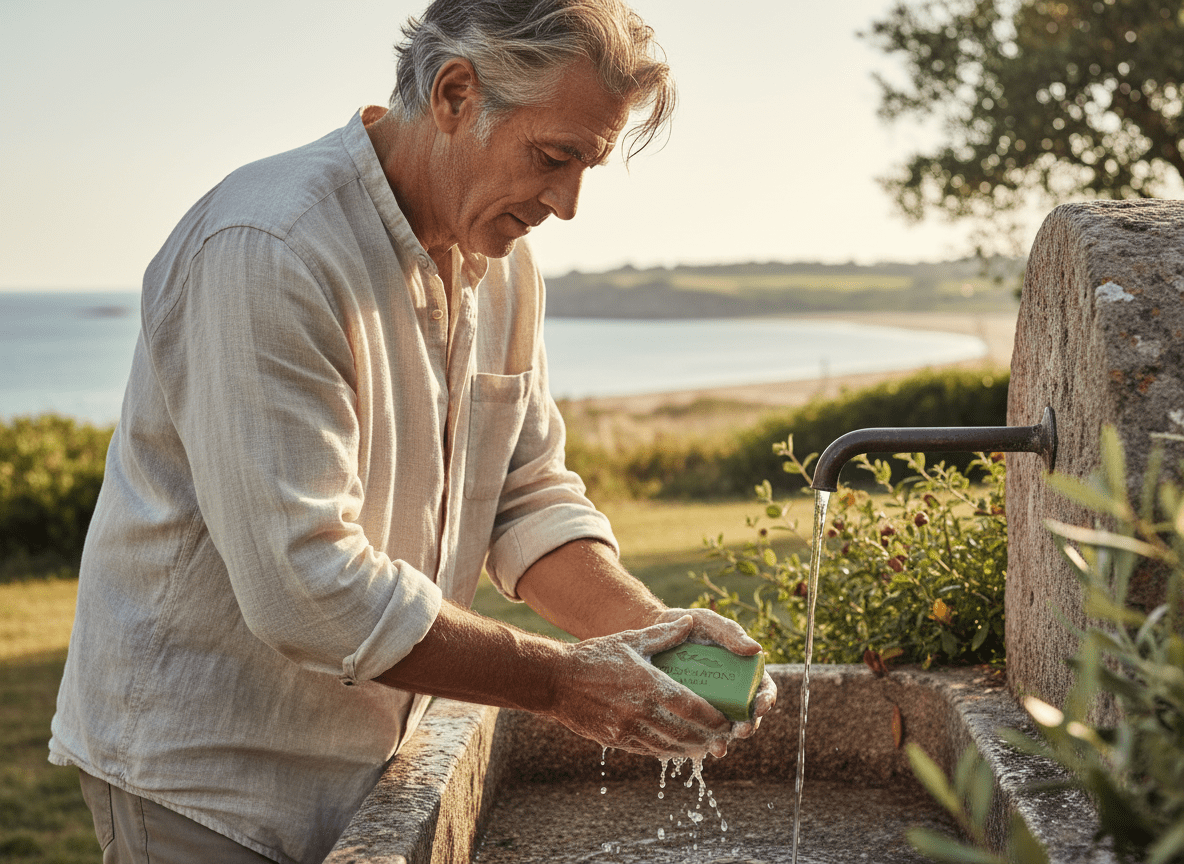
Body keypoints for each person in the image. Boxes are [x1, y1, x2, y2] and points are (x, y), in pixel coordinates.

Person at [50, 1, 776, 861]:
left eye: (587, 164)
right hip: (209, 781)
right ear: (455, 93)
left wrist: (656, 638)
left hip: (374, 762)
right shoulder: (269, 247)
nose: (569, 203)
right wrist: (561, 683)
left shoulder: (502, 264)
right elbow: (305, 583)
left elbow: (522, 497)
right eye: (554, 157)